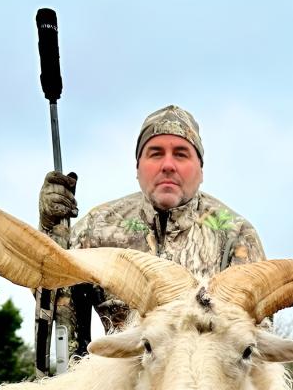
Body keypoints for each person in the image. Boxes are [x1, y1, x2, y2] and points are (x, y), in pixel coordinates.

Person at [39, 104, 266, 352]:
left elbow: (253, 343)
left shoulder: (235, 235)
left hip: (205, 385)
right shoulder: (97, 227)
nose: (168, 165)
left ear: (200, 170)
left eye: (181, 154)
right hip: (114, 384)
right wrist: (50, 229)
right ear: (138, 168)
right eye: (155, 153)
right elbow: (53, 300)